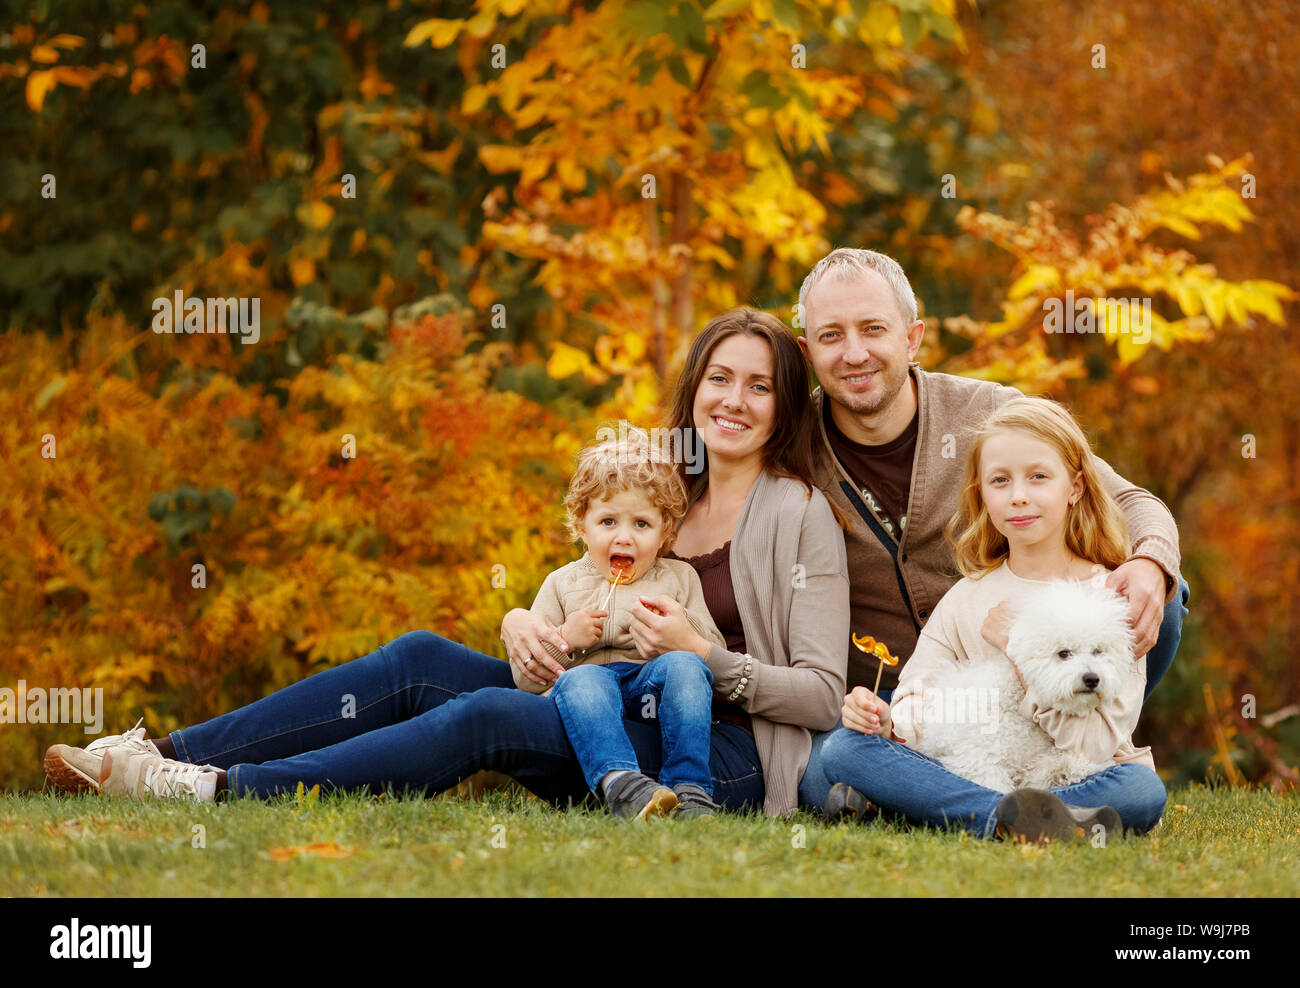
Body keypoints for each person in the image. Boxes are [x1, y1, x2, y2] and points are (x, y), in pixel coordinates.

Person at [45, 309, 850, 818]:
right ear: (695, 386)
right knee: (421, 657)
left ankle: (222, 792)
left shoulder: (800, 513)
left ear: (786, 404)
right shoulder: (660, 485)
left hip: (715, 754)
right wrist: (521, 623)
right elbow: (581, 582)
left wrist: (703, 656)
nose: (734, 402)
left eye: (759, 387)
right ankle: (169, 754)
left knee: (484, 719)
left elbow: (821, 696)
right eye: (719, 379)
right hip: (600, 697)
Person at [790, 247, 1191, 818]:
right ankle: (1007, 812)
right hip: (895, 698)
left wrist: (1153, 564)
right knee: (833, 762)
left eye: (873, 328)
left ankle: (950, 798)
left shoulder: (992, 415)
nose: (855, 353)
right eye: (831, 335)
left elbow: (1131, 501)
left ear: (912, 337)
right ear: (808, 352)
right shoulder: (789, 447)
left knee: (1161, 601)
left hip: (1043, 687)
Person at [816, 395, 1167, 841]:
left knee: (1140, 790)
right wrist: (889, 724)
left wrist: (1015, 650)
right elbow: (919, 690)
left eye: (1038, 477)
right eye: (1000, 481)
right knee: (844, 749)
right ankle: (1012, 818)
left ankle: (958, 813)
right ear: (982, 494)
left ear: (1076, 487)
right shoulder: (967, 597)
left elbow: (1093, 744)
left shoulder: (1113, 598)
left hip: (1078, 772)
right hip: (973, 763)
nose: (1019, 497)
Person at [524, 427, 728, 819]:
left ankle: (691, 789)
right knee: (583, 679)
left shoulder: (678, 579)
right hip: (589, 696)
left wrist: (680, 628)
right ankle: (623, 785)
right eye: (608, 522)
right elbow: (526, 678)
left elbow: (711, 655)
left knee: (685, 665)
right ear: (581, 524)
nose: (624, 538)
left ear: (665, 531)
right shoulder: (563, 583)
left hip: (648, 687)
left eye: (641, 524)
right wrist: (567, 639)